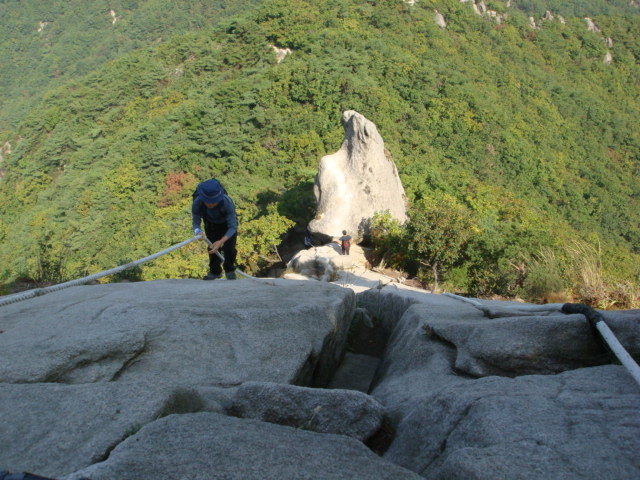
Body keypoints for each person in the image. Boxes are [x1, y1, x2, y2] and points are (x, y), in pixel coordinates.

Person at [192, 179, 238, 280]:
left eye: (214, 202)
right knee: (212, 248)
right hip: (211, 224)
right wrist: (198, 231)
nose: (211, 204)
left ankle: (230, 270)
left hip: (227, 224)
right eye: (208, 202)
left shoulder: (227, 202)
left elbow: (233, 227)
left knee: (229, 249)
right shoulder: (197, 203)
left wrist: (221, 241)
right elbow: (196, 221)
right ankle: (215, 271)